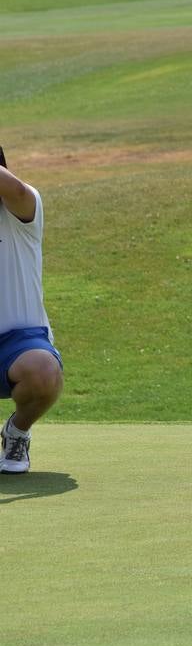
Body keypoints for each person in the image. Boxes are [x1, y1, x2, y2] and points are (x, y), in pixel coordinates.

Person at [0, 148, 63, 474]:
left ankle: (17, 431)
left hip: (18, 344)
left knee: (43, 372)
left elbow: (17, 190)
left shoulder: (22, 209)